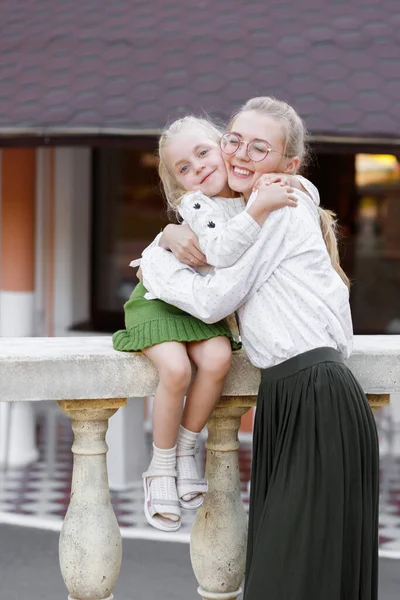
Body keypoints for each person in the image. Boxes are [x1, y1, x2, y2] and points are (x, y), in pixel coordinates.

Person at [139, 98, 379, 599]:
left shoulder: (281, 209)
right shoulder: (249, 213)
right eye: (234, 139)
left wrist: (155, 261)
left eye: (260, 147)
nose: (241, 154)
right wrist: (168, 232)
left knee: (288, 579)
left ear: (287, 167)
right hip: (288, 399)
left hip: (318, 399)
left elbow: (214, 300)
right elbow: (219, 245)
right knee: (290, 573)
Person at [113, 115, 310, 532]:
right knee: (177, 369)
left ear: (224, 145)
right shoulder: (197, 203)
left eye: (203, 152)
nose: (198, 167)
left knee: (218, 359)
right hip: (162, 303)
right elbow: (220, 251)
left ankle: (187, 448)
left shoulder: (253, 194)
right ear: (179, 184)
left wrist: (267, 197)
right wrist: (166, 236)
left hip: (202, 308)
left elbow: (299, 192)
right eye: (184, 168)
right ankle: (161, 466)